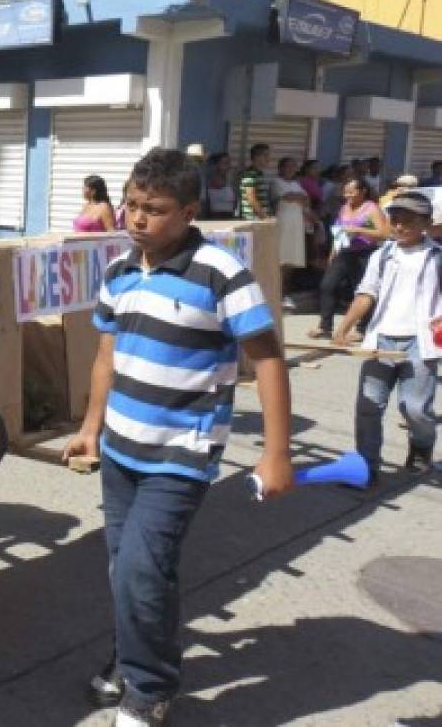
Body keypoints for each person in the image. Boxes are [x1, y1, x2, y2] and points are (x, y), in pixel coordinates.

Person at [64, 148, 292, 726]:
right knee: (126, 569)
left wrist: (275, 452)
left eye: (155, 209)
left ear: (190, 211)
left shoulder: (222, 273)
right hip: (120, 450)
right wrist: (91, 429)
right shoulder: (119, 273)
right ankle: (133, 653)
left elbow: (267, 359)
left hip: (180, 455)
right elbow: (106, 357)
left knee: (143, 568)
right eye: (132, 205)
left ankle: (150, 686)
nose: (138, 219)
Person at [333, 191, 441, 481]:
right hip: (381, 340)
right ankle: (367, 466)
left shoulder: (437, 257)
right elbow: (366, 294)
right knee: (369, 406)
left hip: (420, 342)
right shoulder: (381, 256)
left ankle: (421, 447)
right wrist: (344, 326)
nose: (399, 226)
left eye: (408, 220)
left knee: (415, 409)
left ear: (427, 223)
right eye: (394, 219)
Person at [309, 179, 388, 340]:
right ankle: (325, 327)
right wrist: (332, 253)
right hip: (344, 253)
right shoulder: (344, 208)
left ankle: (361, 329)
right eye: (345, 192)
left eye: (351, 191)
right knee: (327, 286)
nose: (347, 195)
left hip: (364, 254)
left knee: (363, 292)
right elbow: (338, 233)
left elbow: (384, 233)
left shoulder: (371, 208)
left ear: (363, 191)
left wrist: (358, 230)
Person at [270, 157, 312, 307]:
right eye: (288, 166)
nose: (291, 169)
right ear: (281, 168)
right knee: (280, 258)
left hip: (296, 225)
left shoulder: (296, 183)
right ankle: (275, 294)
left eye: (294, 166)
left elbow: (306, 199)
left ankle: (284, 293)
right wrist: (298, 197)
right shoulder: (276, 182)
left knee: (292, 261)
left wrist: (298, 198)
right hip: (283, 223)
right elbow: (287, 197)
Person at [237, 143, 271, 221]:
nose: (268, 158)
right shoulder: (249, 174)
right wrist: (263, 216)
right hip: (253, 218)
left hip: (259, 218)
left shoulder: (260, 174)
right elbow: (251, 197)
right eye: (266, 155)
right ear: (257, 157)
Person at [201, 152, 236, 219]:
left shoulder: (227, 179)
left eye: (229, 163)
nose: (229, 166)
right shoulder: (214, 179)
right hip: (217, 216)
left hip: (229, 215)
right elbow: (221, 184)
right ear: (216, 165)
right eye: (225, 163)